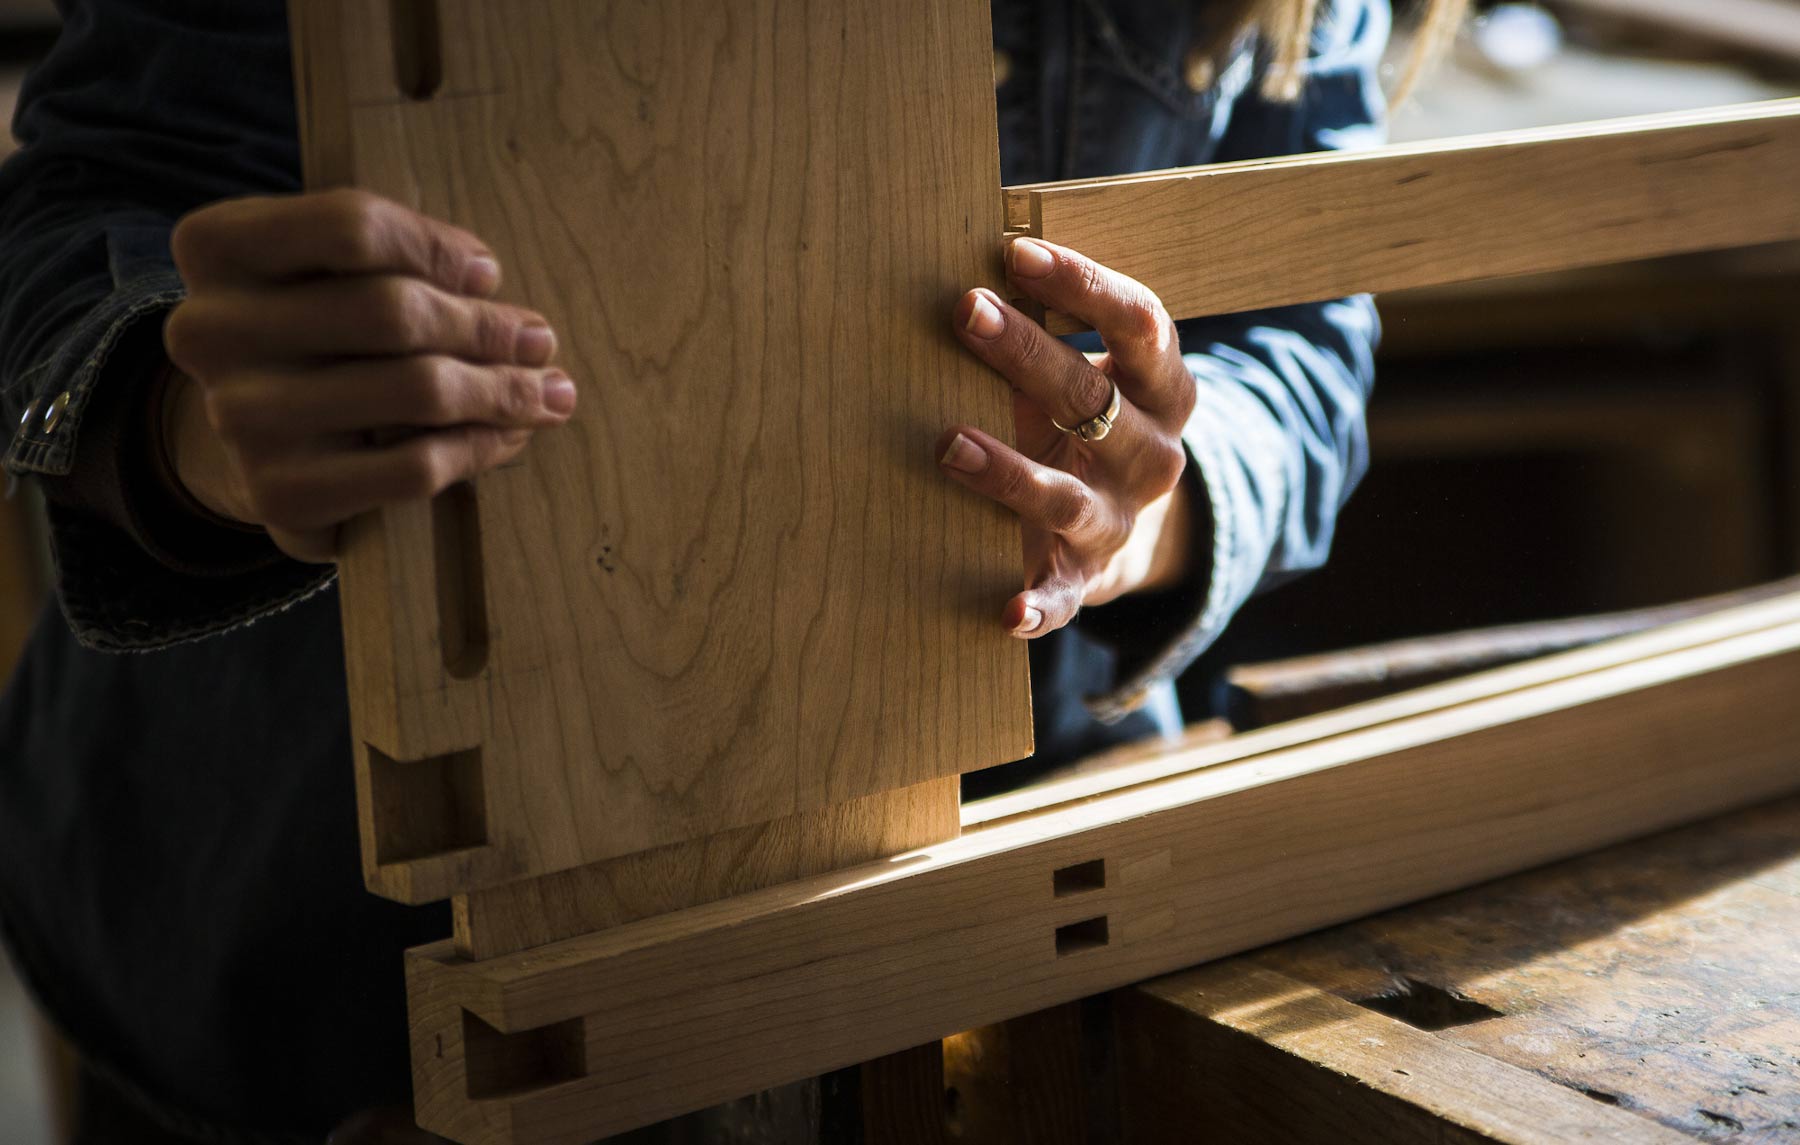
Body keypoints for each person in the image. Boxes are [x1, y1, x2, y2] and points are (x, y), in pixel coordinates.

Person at [0, 0, 1450, 1139]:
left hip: (953, 922)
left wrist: (1143, 510)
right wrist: (192, 427)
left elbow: (1307, 324)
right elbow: (76, 220)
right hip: (298, 917)